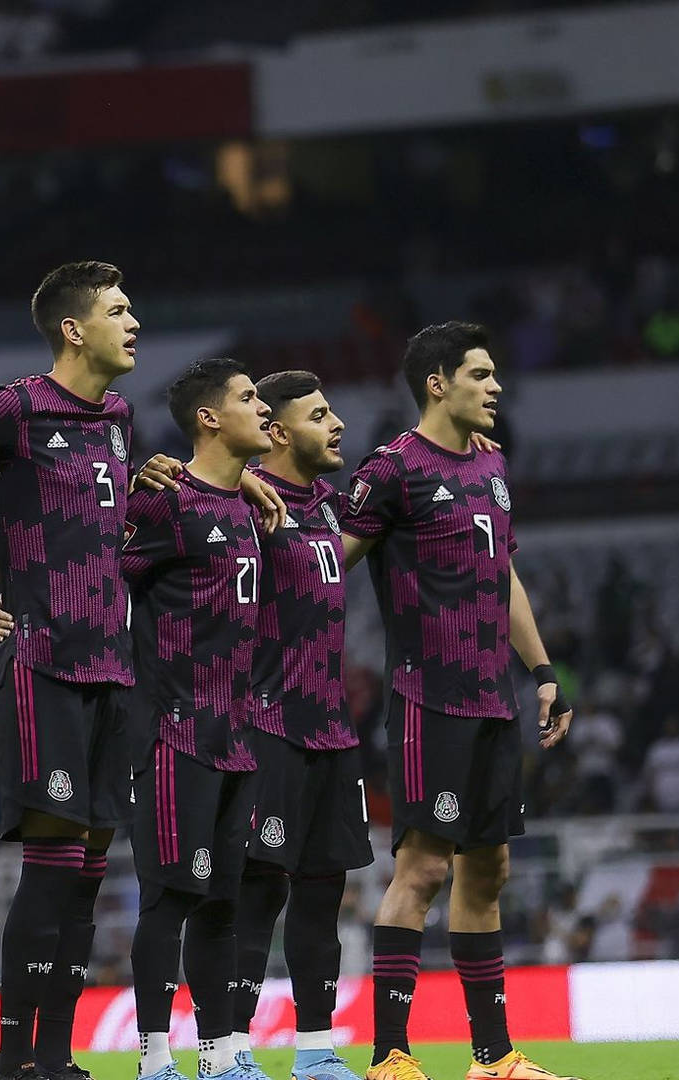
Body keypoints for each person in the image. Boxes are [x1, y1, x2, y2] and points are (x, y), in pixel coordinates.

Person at [0, 264, 282, 1080]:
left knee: (89, 868)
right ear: (73, 328)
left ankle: (59, 1056)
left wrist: (220, 477)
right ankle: (15, 1055)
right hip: (44, 660)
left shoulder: (116, 417)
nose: (134, 321)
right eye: (117, 310)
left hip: (113, 667)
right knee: (53, 860)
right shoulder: (11, 409)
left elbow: (107, 519)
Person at [339, 323, 577, 1080]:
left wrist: (542, 672)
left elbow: (503, 575)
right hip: (425, 698)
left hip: (492, 700)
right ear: (437, 383)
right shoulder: (391, 470)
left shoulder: (495, 467)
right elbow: (330, 559)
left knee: (489, 872)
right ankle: (390, 1056)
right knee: (423, 872)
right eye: (481, 373)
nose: (496, 386)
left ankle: (493, 1057)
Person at [122, 359, 269, 1080]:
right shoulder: (164, 502)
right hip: (175, 730)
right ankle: (154, 1058)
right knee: (171, 896)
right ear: (208, 417)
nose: (262, 409)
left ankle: (219, 1055)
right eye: (248, 399)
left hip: (236, 737)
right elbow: (92, 572)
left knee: (221, 903)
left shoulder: (245, 502)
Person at [229, 370, 371, 1080]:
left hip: (332, 733)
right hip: (266, 724)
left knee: (324, 896)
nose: (337, 422)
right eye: (321, 414)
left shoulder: (330, 505)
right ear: (278, 432)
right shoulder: (247, 505)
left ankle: (316, 1051)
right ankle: (229, 1052)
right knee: (258, 894)